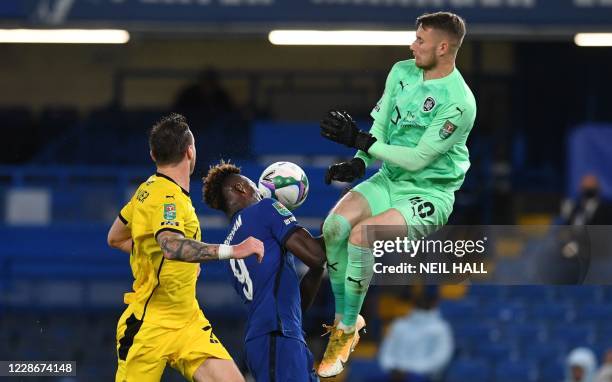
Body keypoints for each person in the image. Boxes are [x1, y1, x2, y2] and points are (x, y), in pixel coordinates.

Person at [317, 11, 476, 377]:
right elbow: (381, 125)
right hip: (389, 178)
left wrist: (361, 142)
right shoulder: (401, 71)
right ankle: (348, 321)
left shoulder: (460, 102)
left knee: (362, 235)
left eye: (420, 40)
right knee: (334, 228)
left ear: (443, 46)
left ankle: (343, 331)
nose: (412, 45)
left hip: (429, 192)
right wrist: (358, 161)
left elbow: (419, 159)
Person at [107, 113, 264, 382]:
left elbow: (117, 238)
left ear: (153, 154)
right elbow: (171, 245)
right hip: (150, 325)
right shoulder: (169, 200)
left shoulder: (147, 190)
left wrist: (175, 261)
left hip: (187, 319)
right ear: (190, 151)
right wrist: (232, 250)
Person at [202, 161, 326, 382]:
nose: (261, 193)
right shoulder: (264, 209)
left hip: (278, 335)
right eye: (254, 186)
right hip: (277, 338)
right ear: (240, 188)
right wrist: (340, 224)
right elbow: (315, 253)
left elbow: (297, 302)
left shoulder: (232, 247)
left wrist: (318, 267)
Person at [377, 289, 454, 382]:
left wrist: (410, 371)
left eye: (426, 299)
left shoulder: (441, 328)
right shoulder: (399, 325)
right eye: (420, 299)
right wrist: (393, 369)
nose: (423, 301)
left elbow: (440, 358)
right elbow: (386, 353)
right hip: (394, 375)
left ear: (434, 302)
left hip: (422, 376)